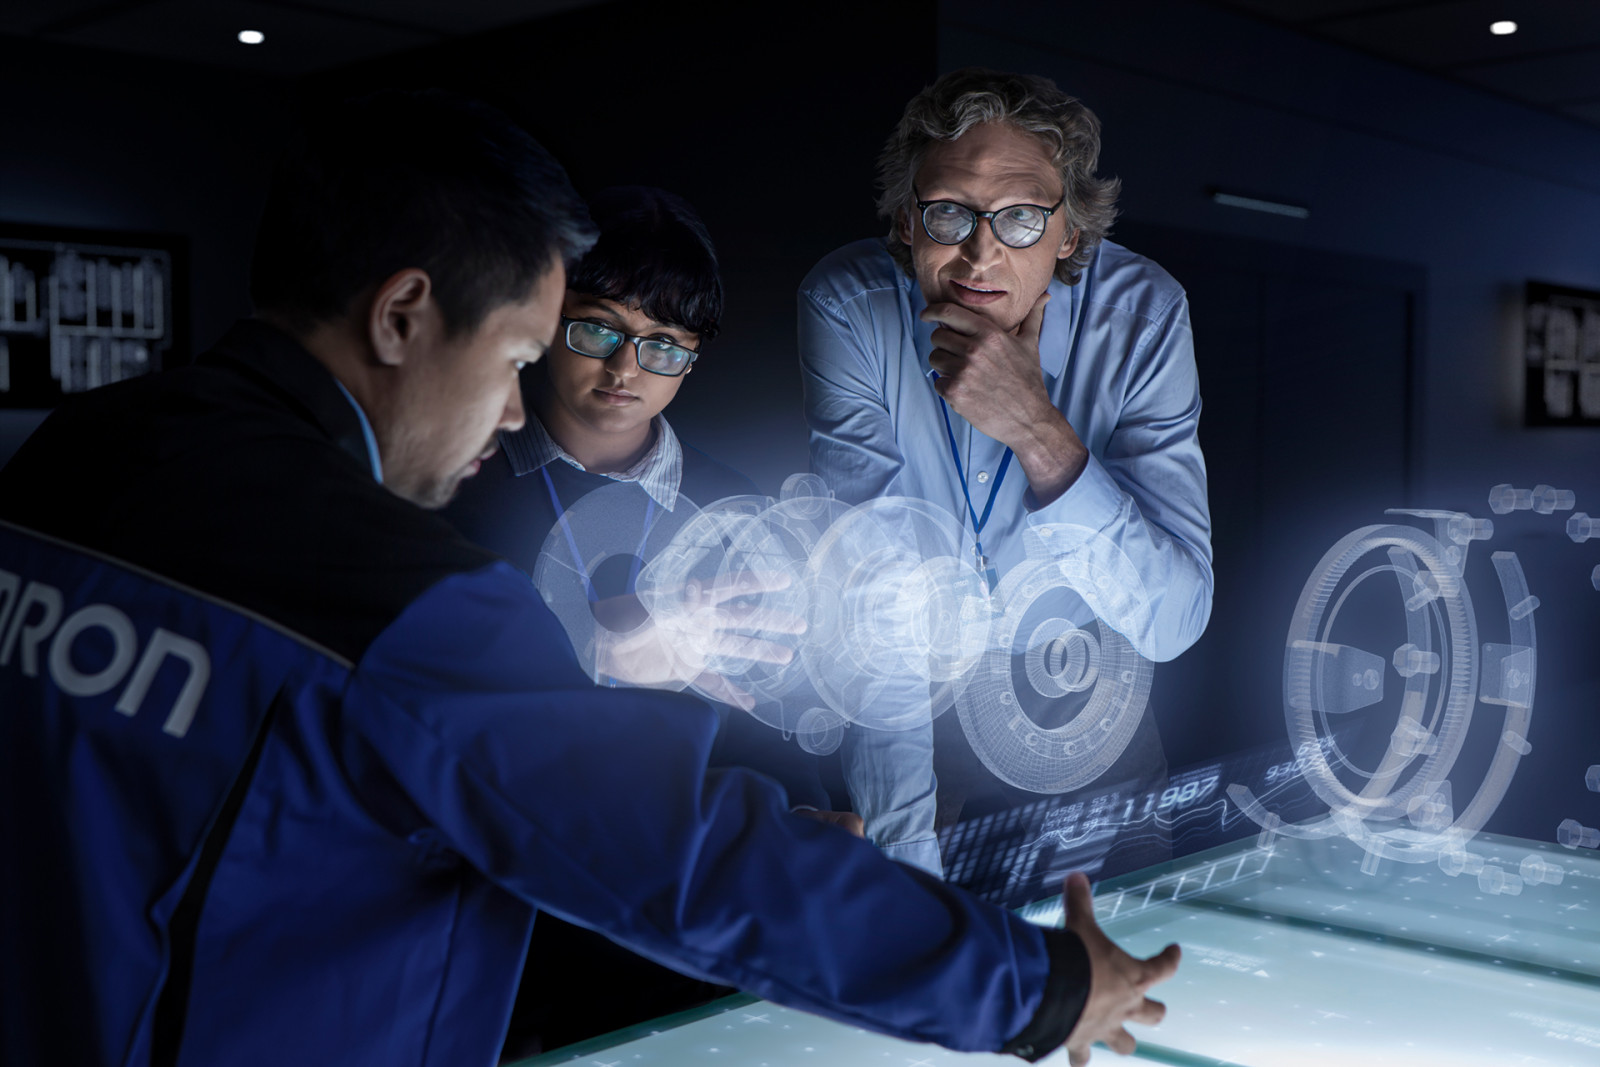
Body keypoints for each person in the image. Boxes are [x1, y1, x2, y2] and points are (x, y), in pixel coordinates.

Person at [0, 89, 1178, 1067]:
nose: (517, 404)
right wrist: (1036, 986)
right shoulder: (414, 600)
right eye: (523, 352)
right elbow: (693, 857)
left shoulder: (65, 456)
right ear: (405, 314)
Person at [444, 184, 849, 1053]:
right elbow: (431, 701)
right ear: (550, 319)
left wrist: (808, 811)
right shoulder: (456, 480)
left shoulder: (734, 507)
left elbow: (770, 706)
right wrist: (607, 655)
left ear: (693, 361)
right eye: (598, 330)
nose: (625, 370)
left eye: (663, 347)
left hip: (689, 915)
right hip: (514, 919)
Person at [798, 68, 1214, 877]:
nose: (981, 252)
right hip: (919, 700)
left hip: (1091, 698)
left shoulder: (1145, 314)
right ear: (905, 221)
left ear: (1069, 235)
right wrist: (902, 871)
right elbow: (874, 595)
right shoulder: (848, 305)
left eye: (1022, 217)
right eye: (949, 212)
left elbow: (1173, 617)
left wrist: (1037, 428)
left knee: (1104, 982)